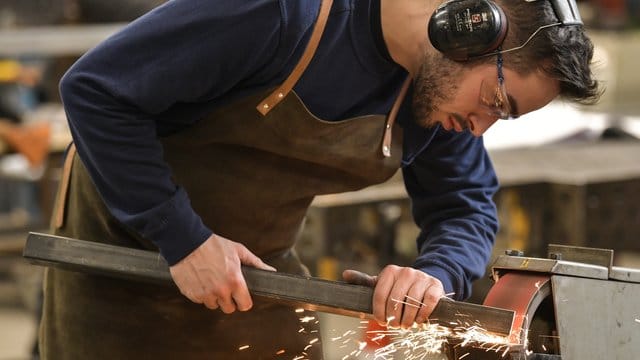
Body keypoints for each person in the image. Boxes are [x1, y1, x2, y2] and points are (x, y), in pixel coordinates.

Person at [39, 0, 600, 358]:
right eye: (495, 101)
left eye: (502, 116)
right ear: (468, 27)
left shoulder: (439, 97)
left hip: (255, 275)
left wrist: (436, 273)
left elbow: (465, 205)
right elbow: (95, 89)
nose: (479, 129)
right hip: (123, 252)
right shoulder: (281, 13)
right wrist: (182, 238)